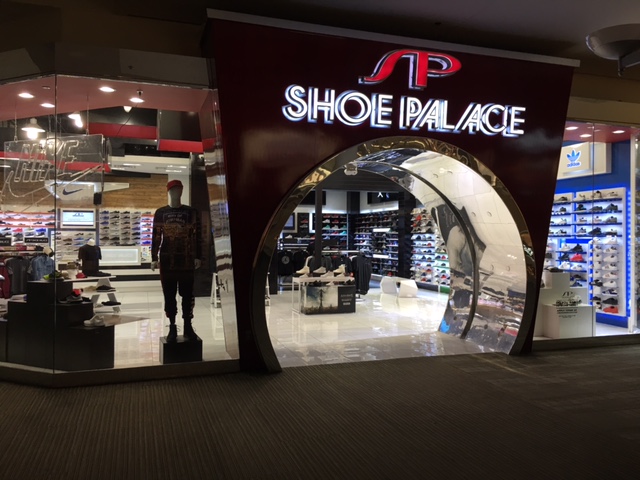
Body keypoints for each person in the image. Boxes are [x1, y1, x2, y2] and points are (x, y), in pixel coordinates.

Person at [151, 180, 202, 342]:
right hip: (167, 260)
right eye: (173, 189)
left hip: (187, 259)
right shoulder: (160, 213)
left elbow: (198, 235)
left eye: (179, 189)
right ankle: (172, 326)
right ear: (168, 191)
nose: (176, 192)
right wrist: (154, 257)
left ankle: (188, 325)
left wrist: (198, 256)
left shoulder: (191, 212)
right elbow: (156, 236)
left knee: (188, 294)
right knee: (169, 294)